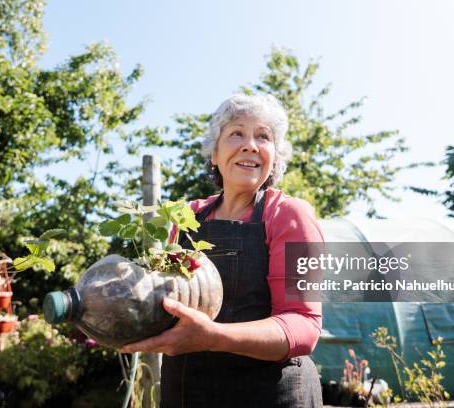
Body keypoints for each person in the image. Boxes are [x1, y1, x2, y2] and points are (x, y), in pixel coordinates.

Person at [120, 94, 324, 407]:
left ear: (275, 157)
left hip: (269, 392)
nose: (251, 145)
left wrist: (213, 336)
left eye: (263, 136)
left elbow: (303, 325)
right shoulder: (184, 216)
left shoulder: (289, 215)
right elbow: (159, 298)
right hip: (189, 391)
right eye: (237, 133)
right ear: (214, 154)